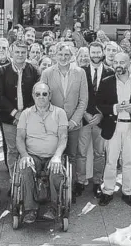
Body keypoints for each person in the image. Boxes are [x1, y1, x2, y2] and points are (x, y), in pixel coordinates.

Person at [96, 52, 131, 207]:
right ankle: (108, 191)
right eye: (115, 62)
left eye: (122, 62)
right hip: (113, 125)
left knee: (128, 161)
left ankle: (127, 192)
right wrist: (114, 108)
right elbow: (99, 103)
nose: (118, 65)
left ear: (129, 63)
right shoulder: (107, 82)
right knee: (111, 161)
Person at [40, 42, 89, 200]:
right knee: (54, 155)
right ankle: (53, 189)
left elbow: (83, 100)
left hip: (73, 124)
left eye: (67, 55)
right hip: (52, 124)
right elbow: (43, 98)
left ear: (72, 56)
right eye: (60, 54)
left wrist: (74, 121)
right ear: (55, 55)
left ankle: (71, 188)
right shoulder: (47, 73)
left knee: (72, 156)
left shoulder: (80, 73)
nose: (63, 58)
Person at [16, 82, 68, 222]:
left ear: (50, 95)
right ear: (33, 96)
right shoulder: (26, 114)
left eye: (44, 94)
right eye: (37, 94)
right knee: (25, 167)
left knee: (57, 171)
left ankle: (52, 207)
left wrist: (57, 156)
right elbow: (20, 138)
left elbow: (63, 137)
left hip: (53, 155)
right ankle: (30, 209)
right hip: (33, 155)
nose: (41, 97)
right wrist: (24, 155)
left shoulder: (60, 113)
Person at [0, 40, 41, 176]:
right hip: (9, 119)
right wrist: (15, 114)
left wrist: (25, 114)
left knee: (29, 149)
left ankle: (27, 180)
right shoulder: (3, 71)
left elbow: (37, 95)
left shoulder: (34, 71)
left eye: (23, 52)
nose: (20, 55)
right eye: (17, 52)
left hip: (30, 118)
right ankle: (14, 182)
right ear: (11, 52)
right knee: (12, 150)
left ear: (27, 53)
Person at [77, 42, 115, 198]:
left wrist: (101, 115)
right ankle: (79, 182)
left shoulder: (110, 72)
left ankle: (97, 182)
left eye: (98, 52)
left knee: (99, 153)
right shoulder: (81, 72)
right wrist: (85, 113)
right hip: (84, 118)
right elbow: (78, 95)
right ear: (89, 53)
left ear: (103, 53)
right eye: (93, 52)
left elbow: (113, 97)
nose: (96, 55)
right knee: (81, 152)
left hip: (101, 119)